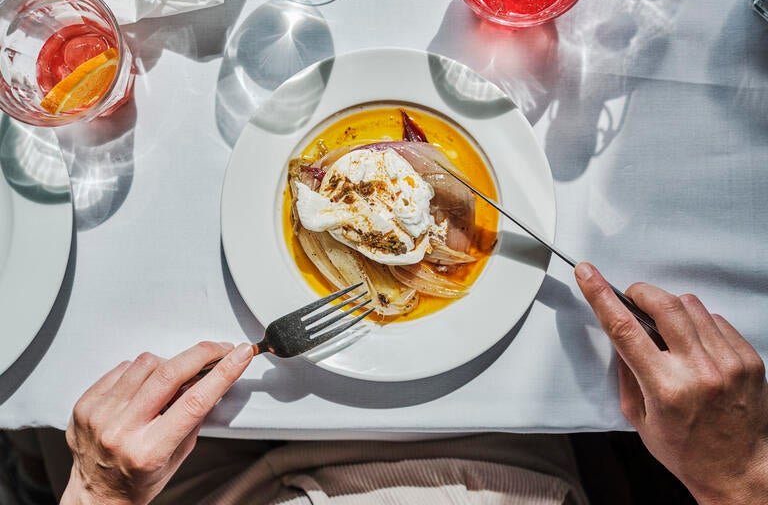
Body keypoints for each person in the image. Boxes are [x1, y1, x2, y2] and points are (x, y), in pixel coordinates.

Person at [53, 263, 768, 505]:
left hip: (229, 487)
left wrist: (100, 492)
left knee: (46, 426)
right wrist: (737, 477)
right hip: (517, 467)